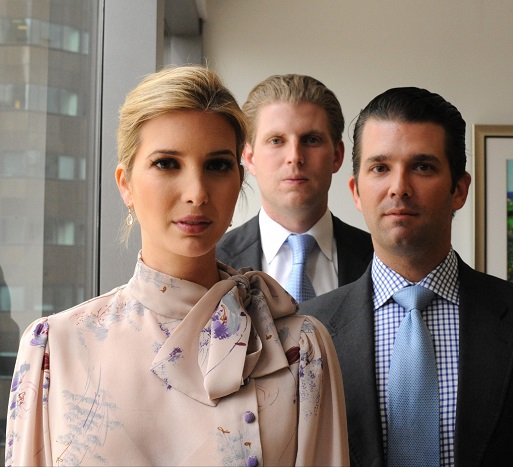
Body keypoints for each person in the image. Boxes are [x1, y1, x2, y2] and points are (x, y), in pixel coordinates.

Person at [5, 65, 349, 466]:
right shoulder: (54, 347)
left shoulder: (298, 346)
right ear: (125, 183)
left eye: (217, 165)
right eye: (167, 163)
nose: (197, 193)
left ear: (240, 179)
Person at [301, 87, 513, 466]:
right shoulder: (307, 332)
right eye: (380, 168)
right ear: (357, 192)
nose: (399, 188)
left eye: (422, 166)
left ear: (459, 190)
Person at [216, 74, 372, 302]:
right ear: (249, 158)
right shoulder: (212, 263)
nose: (295, 157)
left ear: (337, 156)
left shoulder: (378, 258)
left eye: (311, 140)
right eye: (276, 140)